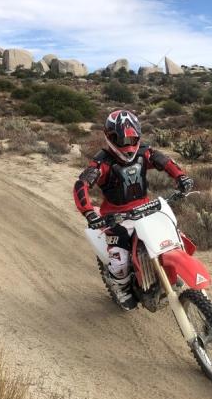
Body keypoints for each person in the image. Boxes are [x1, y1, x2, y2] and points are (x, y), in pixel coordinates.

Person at [74, 110, 193, 310]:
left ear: (138, 134)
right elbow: (81, 185)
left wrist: (181, 177)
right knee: (119, 262)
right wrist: (89, 212)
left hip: (146, 208)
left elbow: (164, 161)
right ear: (110, 137)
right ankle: (121, 288)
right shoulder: (101, 163)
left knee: (175, 238)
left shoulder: (144, 153)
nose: (127, 144)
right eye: (120, 139)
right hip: (115, 217)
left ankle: (169, 271)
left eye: (131, 137)